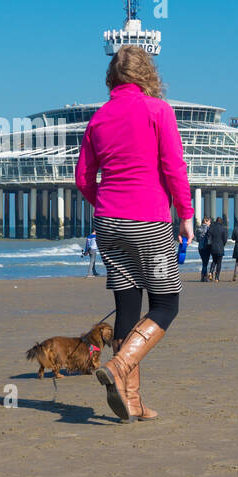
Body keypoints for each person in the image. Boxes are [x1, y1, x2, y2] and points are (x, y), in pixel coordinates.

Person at [75, 44, 193, 423]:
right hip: (149, 222)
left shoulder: (98, 119)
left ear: (111, 78)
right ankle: (120, 365)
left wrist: (105, 201)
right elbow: (174, 167)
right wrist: (186, 214)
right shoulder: (158, 110)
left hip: (107, 224)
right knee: (166, 304)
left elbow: (82, 179)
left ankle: (132, 401)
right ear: (147, 75)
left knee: (129, 307)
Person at [206, 216, 228, 282]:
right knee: (219, 262)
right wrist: (223, 245)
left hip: (213, 247)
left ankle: (210, 272)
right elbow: (225, 239)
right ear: (221, 222)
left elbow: (208, 236)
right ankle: (217, 277)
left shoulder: (212, 227)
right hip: (220, 247)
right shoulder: (223, 228)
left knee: (214, 261)